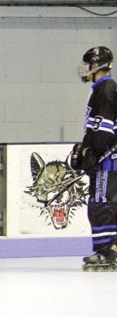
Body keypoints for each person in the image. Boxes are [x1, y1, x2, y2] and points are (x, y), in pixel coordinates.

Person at [71, 46, 117, 270]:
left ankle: (106, 252)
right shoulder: (102, 88)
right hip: (107, 160)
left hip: (107, 162)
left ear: (97, 65)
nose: (85, 68)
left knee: (100, 204)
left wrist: (94, 154)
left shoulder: (105, 89)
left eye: (88, 63)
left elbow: (104, 129)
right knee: (106, 203)